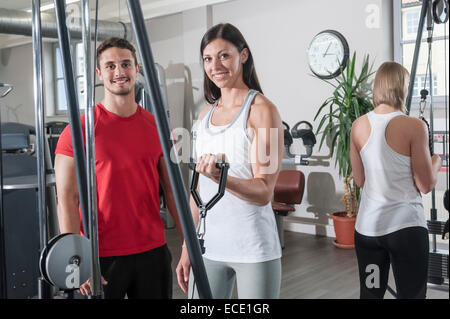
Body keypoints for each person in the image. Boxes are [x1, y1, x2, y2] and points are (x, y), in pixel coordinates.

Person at [54, 37, 183, 299]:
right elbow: (67, 198)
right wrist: (75, 258)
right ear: (100, 74)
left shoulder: (158, 127)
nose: (119, 72)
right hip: (99, 255)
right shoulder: (77, 131)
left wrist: (188, 244)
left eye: (126, 64)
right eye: (110, 66)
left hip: (152, 250)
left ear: (137, 69)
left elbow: (173, 192)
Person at [176, 23, 283, 299]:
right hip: (208, 247)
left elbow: (264, 192)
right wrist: (188, 247)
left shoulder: (263, 111)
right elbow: (196, 191)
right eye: (208, 59)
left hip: (253, 248)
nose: (215, 66)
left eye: (224, 56)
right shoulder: (203, 118)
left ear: (243, 55)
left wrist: (220, 177)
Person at [350, 61, 442, 299]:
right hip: (405, 231)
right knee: (411, 295)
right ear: (402, 88)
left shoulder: (358, 125)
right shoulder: (414, 126)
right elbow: (426, 184)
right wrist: (437, 160)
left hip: (369, 232)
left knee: (371, 294)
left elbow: (359, 179)